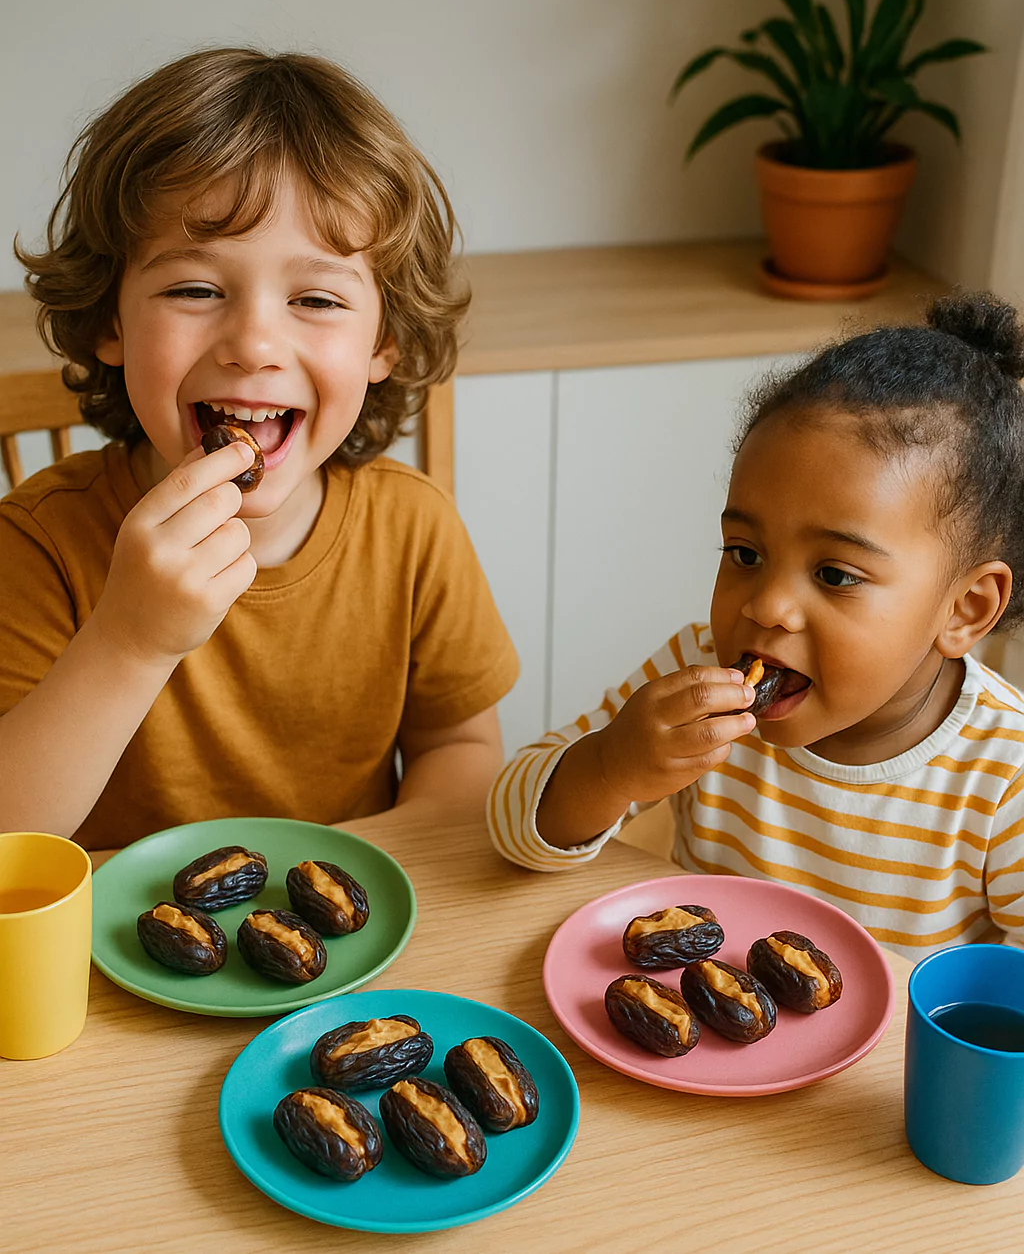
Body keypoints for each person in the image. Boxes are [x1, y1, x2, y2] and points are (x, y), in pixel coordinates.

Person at [1, 48, 518, 850]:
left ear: (385, 341)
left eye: (315, 298)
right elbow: (9, 837)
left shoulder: (413, 530)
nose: (254, 344)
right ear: (110, 320)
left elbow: (460, 750)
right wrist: (129, 641)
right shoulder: (38, 544)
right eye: (196, 289)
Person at [489, 293, 1024, 961]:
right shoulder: (694, 675)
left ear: (965, 609)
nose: (766, 606)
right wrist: (611, 767)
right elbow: (511, 825)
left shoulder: (1005, 775)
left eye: (835, 574)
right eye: (745, 554)